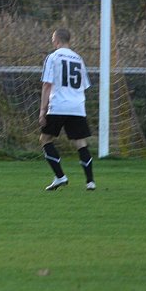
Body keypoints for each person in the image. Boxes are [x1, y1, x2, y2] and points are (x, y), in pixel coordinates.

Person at [39, 28, 96, 191]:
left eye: (52, 40)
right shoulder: (78, 59)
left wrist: (43, 110)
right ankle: (90, 182)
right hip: (77, 107)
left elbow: (47, 84)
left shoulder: (53, 57)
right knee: (81, 143)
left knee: (45, 139)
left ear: (56, 40)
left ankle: (60, 177)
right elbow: (84, 85)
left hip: (58, 105)